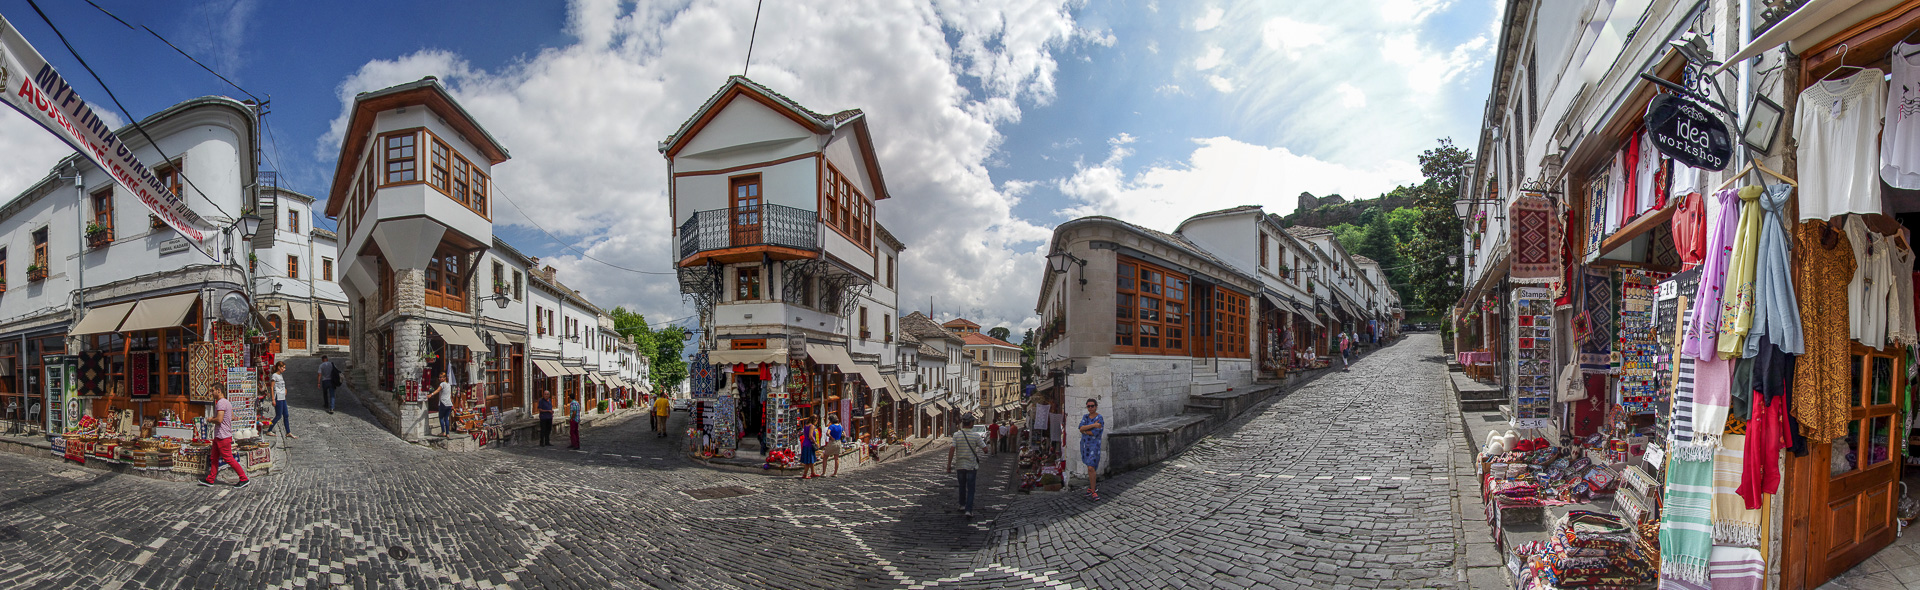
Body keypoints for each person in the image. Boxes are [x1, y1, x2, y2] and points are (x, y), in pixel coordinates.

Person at [201, 386, 250, 488]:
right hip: (220, 435)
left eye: (213, 391)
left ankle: (243, 478)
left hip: (223, 436)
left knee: (228, 458)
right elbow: (232, 416)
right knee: (214, 457)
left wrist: (210, 419)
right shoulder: (227, 402)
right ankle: (210, 479)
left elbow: (219, 419)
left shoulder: (221, 403)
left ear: (219, 390)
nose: (212, 393)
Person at [947, 414, 985, 518]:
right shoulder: (976, 436)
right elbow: (985, 449)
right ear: (971, 423)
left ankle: (962, 505)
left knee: (962, 486)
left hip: (960, 465)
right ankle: (968, 510)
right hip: (971, 466)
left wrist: (949, 465)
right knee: (971, 488)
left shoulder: (956, 435)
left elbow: (952, 449)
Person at [1080, 398, 1105, 501]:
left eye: (1092, 406)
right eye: (1088, 406)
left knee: (1091, 467)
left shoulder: (1100, 417)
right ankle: (1091, 487)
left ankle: (1094, 491)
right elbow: (1081, 428)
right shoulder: (1085, 417)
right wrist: (1093, 425)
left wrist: (1086, 429)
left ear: (1096, 406)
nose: (1090, 408)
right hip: (1085, 446)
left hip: (1094, 446)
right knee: (1090, 467)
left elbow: (1096, 432)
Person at [265, 362, 295, 439]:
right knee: (278, 416)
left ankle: (288, 432)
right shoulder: (274, 376)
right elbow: (272, 387)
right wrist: (273, 399)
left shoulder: (280, 376)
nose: (284, 369)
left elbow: (282, 385)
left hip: (283, 397)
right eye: (283, 367)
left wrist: (285, 389)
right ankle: (269, 429)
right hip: (277, 397)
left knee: (286, 415)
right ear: (279, 367)